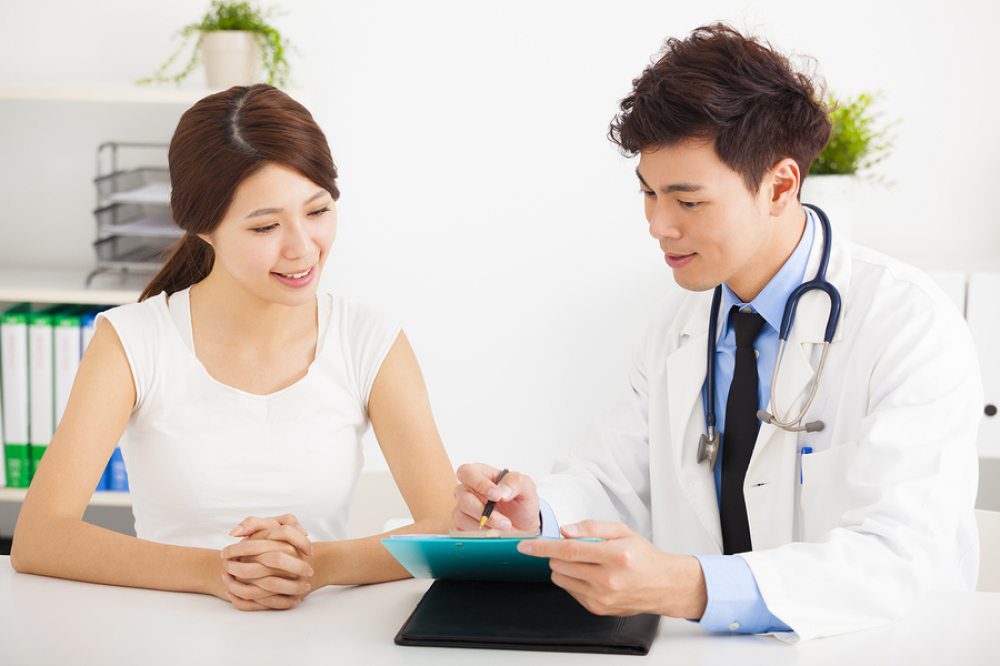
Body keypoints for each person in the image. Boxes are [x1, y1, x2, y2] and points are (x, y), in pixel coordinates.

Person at [452, 24, 982, 642]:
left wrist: (686, 586)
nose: (657, 225)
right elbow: (611, 477)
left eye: (688, 202)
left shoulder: (908, 322)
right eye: (648, 194)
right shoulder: (679, 326)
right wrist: (535, 511)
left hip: (884, 647)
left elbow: (895, 556)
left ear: (781, 185)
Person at [11, 84, 456, 611]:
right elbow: (40, 536)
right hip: (161, 637)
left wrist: (315, 565)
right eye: (266, 225)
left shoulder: (369, 341)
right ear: (202, 226)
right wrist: (216, 573)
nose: (301, 247)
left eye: (317, 212)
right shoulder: (131, 341)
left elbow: (446, 528)